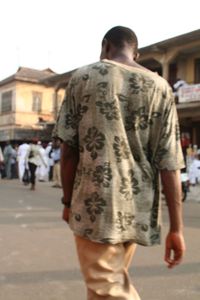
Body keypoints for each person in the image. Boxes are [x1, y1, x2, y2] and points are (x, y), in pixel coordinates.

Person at [54, 26, 186, 300]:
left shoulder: (84, 77)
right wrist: (176, 228)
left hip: (95, 207)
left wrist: (67, 201)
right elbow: (170, 163)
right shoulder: (160, 87)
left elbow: (69, 150)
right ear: (135, 52)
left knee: (110, 291)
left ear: (105, 46)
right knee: (102, 288)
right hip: (136, 209)